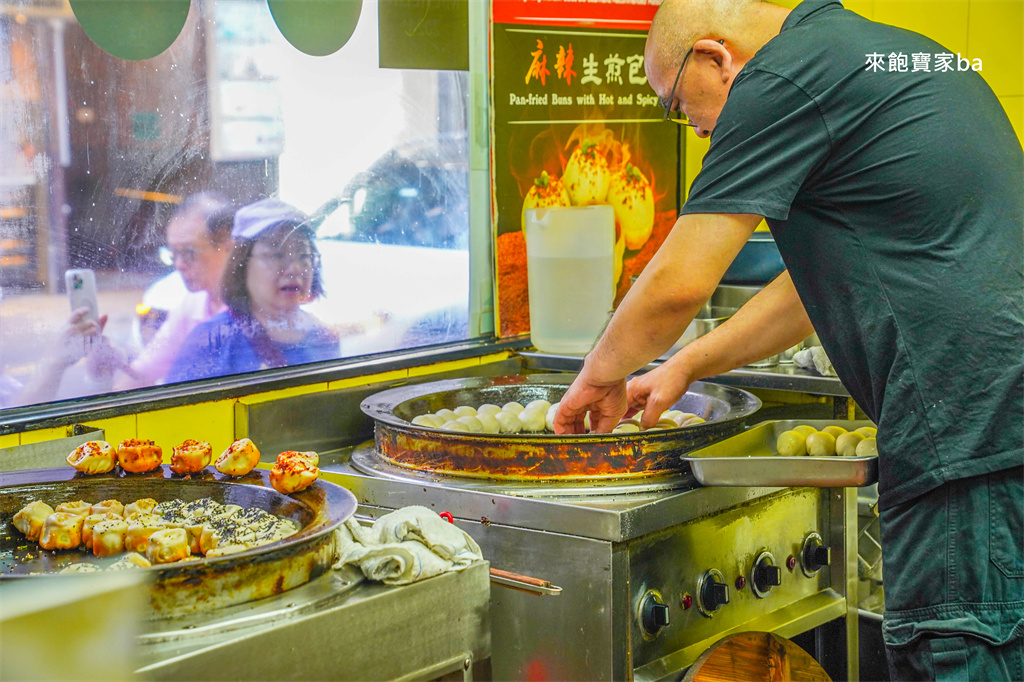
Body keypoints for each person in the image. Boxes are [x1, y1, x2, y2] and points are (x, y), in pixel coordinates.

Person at [554, 1, 1023, 679]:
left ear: (716, 57)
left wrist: (596, 379)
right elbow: (811, 290)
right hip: (995, 428)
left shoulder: (783, 77)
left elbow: (679, 284)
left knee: (955, 653)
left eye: (677, 106)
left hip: (963, 434)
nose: (696, 130)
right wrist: (685, 365)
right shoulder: (869, 52)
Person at [165, 198, 339, 382]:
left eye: (304, 255)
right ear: (242, 264)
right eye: (276, 254)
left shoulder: (324, 336)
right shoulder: (210, 341)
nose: (294, 268)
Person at [116, 192, 234, 388]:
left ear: (228, 247)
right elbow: (142, 373)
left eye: (189, 252)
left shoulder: (257, 309)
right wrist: (108, 366)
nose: (179, 265)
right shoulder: (192, 305)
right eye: (173, 254)